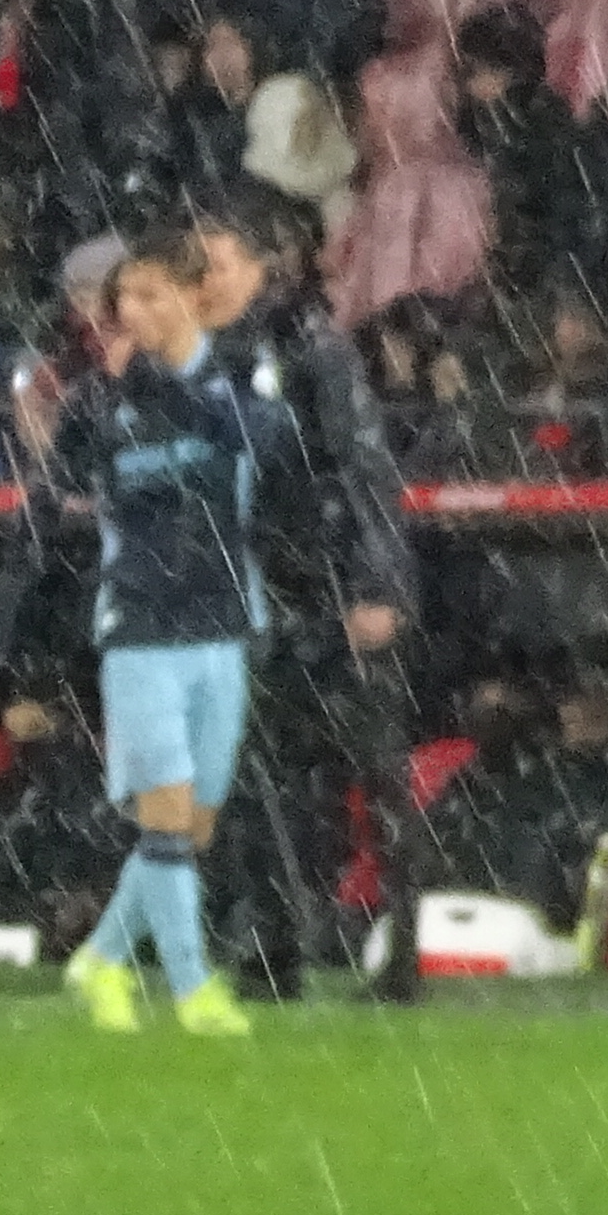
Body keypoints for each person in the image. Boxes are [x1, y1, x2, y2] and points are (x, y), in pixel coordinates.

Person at [54, 231, 295, 1038]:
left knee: (192, 827)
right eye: (128, 298)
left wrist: (162, 383)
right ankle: (194, 991)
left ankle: (101, 959)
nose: (136, 312)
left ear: (193, 297)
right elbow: (59, 478)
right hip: (141, 626)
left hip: (222, 619)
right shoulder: (100, 393)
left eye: (155, 295)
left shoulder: (239, 370)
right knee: (164, 818)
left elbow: (257, 440)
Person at [190, 200, 422, 1002]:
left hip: (325, 578)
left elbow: (363, 467)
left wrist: (377, 584)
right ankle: (271, 941)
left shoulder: (308, 345)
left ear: (260, 268)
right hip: (257, 589)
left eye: (216, 262)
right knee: (261, 772)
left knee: (371, 769)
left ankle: (403, 951)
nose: (203, 281)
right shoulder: (200, 358)